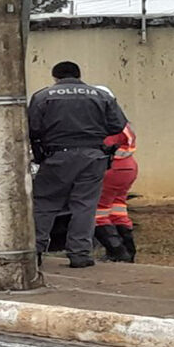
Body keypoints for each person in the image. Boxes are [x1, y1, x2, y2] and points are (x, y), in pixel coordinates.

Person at [28, 61, 127, 268]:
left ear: (55, 77)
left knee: (45, 203)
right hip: (93, 156)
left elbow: (33, 128)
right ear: (79, 75)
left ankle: (34, 251)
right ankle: (80, 254)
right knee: (85, 205)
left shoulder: (43, 96)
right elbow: (117, 124)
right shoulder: (101, 96)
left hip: (57, 156)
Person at [93, 85, 138, 263]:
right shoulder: (123, 122)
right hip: (127, 168)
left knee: (97, 211)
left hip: (110, 168)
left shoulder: (104, 123)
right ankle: (129, 251)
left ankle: (117, 251)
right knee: (118, 209)